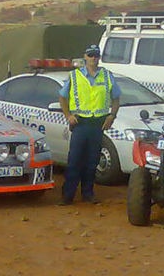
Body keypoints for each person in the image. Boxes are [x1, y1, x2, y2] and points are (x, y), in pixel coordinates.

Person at [58, 44, 120, 205]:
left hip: (98, 124)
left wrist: (112, 116)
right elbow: (62, 97)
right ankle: (67, 196)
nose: (94, 58)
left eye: (96, 55)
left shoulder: (107, 76)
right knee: (74, 161)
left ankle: (88, 194)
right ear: (85, 57)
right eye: (91, 55)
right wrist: (68, 115)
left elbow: (116, 98)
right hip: (80, 123)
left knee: (92, 161)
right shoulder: (74, 76)